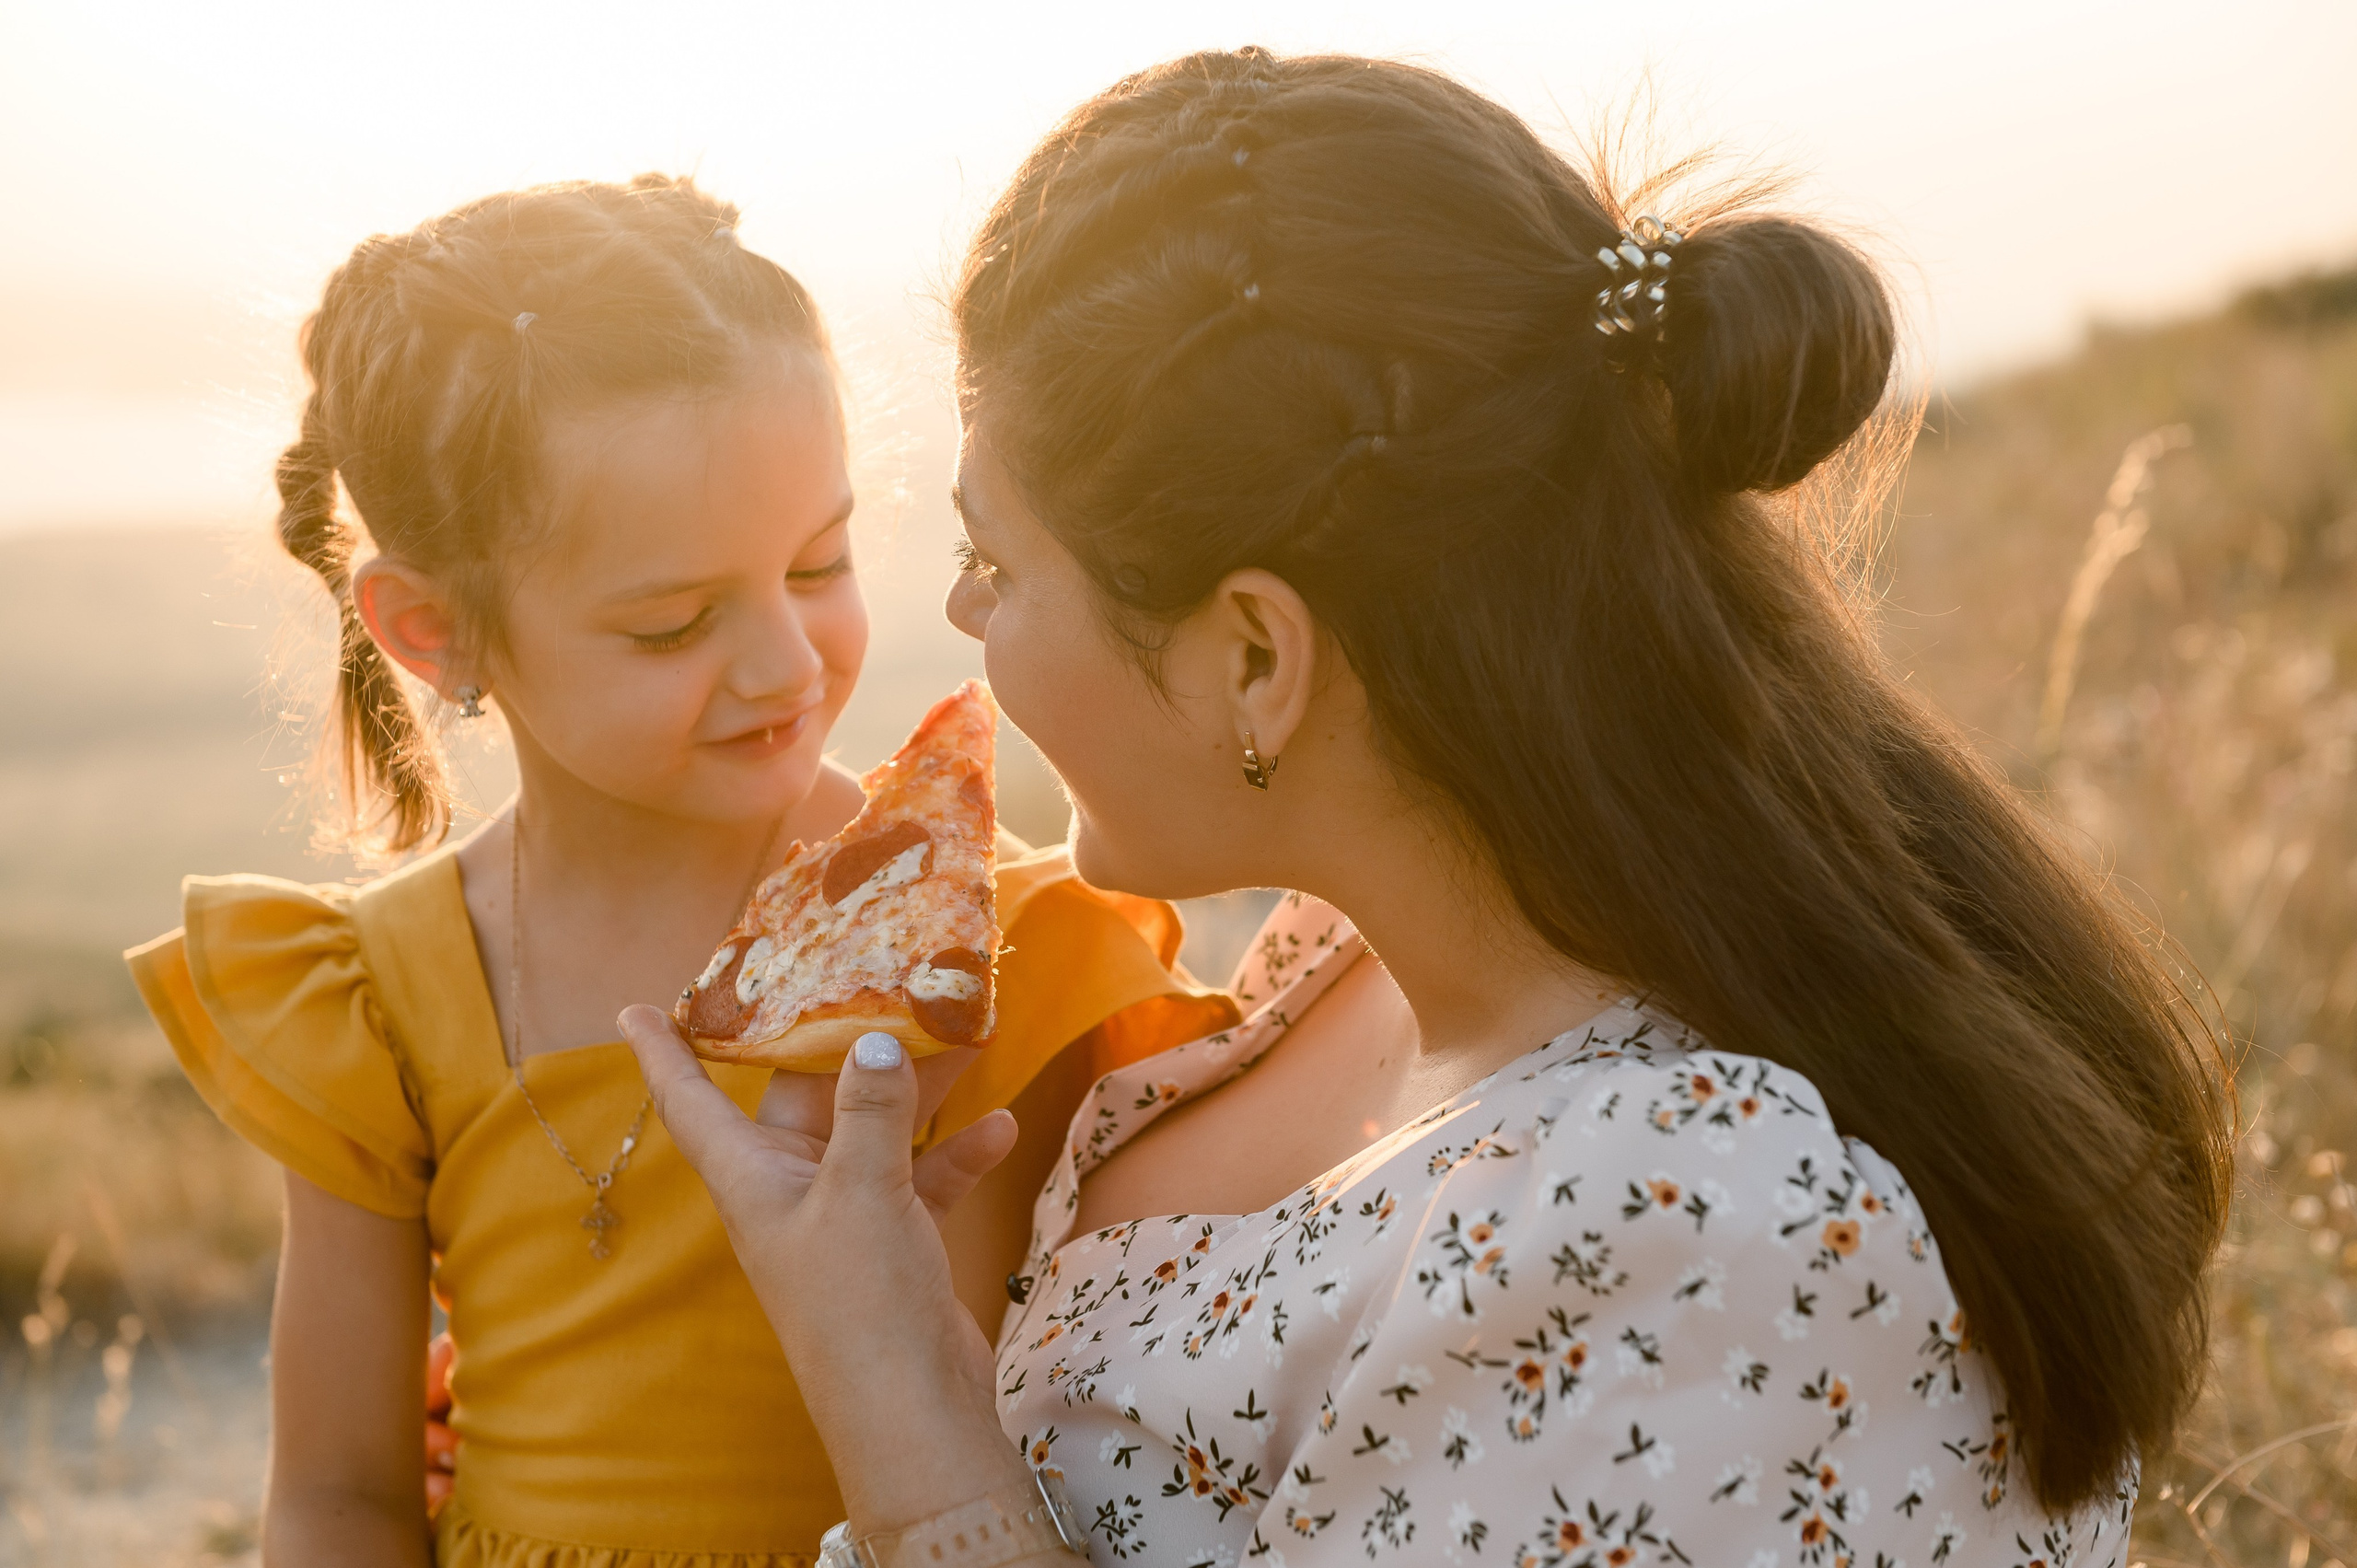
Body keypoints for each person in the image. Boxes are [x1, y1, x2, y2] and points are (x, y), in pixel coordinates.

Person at [623, 49, 2235, 1568]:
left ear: (1256, 655)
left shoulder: (1701, 1229)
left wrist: (882, 1373)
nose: (967, 626)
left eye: (998, 563)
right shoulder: (1364, 954)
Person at [124, 174, 1234, 1567]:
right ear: (432, 630)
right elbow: (339, 1494)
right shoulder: (376, 992)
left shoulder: (988, 952)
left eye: (820, 563)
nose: (784, 664)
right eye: (672, 624)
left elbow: (1006, 1437)